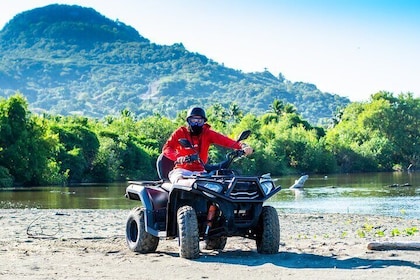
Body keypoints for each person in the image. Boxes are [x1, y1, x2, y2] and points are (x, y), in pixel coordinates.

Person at [162, 107, 253, 185]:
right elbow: (167, 148)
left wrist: (242, 146)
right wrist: (178, 157)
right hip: (182, 170)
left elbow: (226, 140)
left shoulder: (207, 133)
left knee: (219, 187)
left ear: (204, 122)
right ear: (188, 121)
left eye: (199, 121)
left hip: (201, 172)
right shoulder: (180, 132)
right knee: (180, 181)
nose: (196, 123)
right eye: (193, 120)